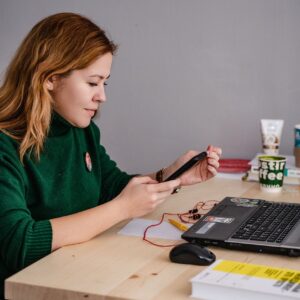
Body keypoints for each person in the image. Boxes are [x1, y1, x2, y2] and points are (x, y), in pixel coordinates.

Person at [0, 12, 221, 299]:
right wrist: (122, 209)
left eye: (105, 83)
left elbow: (113, 187)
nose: (102, 96)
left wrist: (172, 175)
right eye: (92, 83)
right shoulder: (6, 144)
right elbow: (19, 242)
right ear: (50, 78)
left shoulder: (81, 129)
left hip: (75, 274)